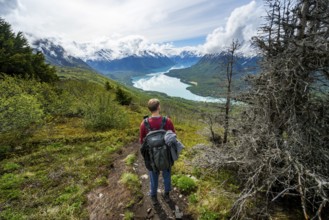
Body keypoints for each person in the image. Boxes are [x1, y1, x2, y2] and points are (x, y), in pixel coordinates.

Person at [140, 98, 175, 205]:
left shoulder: (144, 123)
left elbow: (142, 141)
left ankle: (154, 197)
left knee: (153, 175)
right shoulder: (167, 121)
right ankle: (167, 195)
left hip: (152, 157)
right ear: (158, 107)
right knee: (166, 174)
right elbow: (173, 137)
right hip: (166, 155)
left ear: (149, 109)